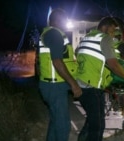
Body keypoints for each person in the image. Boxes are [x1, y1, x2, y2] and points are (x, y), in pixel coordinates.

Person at [75, 16, 124, 141]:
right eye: (112, 30)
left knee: (92, 120)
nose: (113, 33)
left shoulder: (85, 38)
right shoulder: (105, 38)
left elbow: (79, 54)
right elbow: (114, 65)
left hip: (80, 84)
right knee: (98, 126)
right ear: (105, 27)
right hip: (92, 86)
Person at [38, 8, 82, 141]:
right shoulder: (55, 34)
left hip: (51, 85)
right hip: (54, 87)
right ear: (58, 20)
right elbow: (57, 62)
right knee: (63, 126)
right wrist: (73, 84)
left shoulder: (48, 34)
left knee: (55, 122)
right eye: (64, 20)